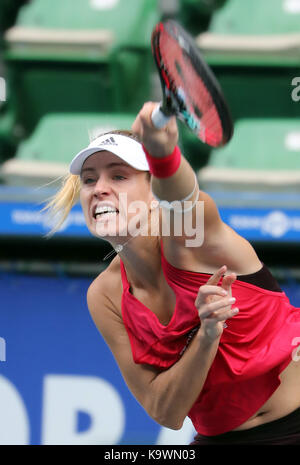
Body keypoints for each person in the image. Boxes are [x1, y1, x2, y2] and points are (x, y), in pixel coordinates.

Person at [45, 102, 300, 445]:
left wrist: (163, 154)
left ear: (153, 191)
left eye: (119, 176)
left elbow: (181, 197)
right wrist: (207, 335)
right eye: (89, 180)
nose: (98, 189)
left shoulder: (189, 236)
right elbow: (165, 411)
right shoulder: (104, 295)